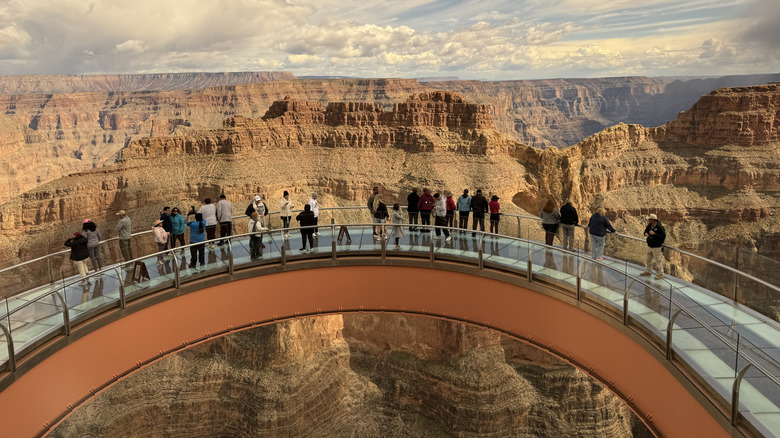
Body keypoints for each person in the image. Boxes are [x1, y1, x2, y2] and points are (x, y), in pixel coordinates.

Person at [641, 214, 667, 280]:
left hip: (656, 247)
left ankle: (661, 274)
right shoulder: (649, 226)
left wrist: (655, 234)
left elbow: (663, 236)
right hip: (650, 246)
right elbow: (645, 231)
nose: (648, 221)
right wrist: (645, 234)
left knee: (658, 261)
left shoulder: (660, 227)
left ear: (653, 220)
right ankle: (648, 271)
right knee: (648, 260)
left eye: (649, 219)